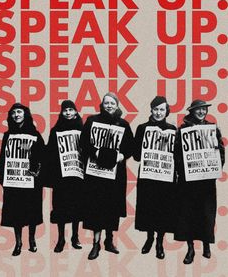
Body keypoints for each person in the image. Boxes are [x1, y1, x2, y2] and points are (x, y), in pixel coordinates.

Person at [80, 92, 134, 260]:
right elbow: (83, 142)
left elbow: (130, 147)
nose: (109, 105)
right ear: (101, 105)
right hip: (95, 175)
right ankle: (95, 244)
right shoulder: (91, 121)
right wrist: (94, 151)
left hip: (115, 175)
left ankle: (109, 241)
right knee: (95, 208)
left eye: (112, 103)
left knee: (111, 208)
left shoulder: (124, 124)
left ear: (117, 105)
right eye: (106, 103)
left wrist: (121, 156)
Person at [174, 100, 225, 264]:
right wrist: (184, 171)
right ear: (192, 111)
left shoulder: (213, 129)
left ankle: (206, 246)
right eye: (198, 110)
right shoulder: (182, 131)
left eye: (204, 109)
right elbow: (176, 154)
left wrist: (215, 167)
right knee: (188, 215)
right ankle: (190, 250)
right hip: (188, 183)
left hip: (206, 182)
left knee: (206, 214)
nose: (202, 112)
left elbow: (221, 152)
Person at [0, 103, 45, 256]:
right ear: (10, 116)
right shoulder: (7, 135)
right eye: (14, 112)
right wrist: (3, 178)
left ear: (25, 114)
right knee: (15, 213)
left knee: (32, 212)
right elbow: (2, 158)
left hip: (30, 182)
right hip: (13, 182)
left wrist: (37, 171)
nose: (17, 115)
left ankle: (31, 239)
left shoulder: (35, 134)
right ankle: (18, 243)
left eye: (20, 112)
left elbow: (43, 156)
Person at [134, 96, 177, 259]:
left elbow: (177, 155)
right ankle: (149, 239)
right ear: (151, 110)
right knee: (148, 207)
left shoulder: (173, 130)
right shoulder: (142, 128)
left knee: (163, 209)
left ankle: (160, 242)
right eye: (156, 109)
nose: (159, 113)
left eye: (162, 110)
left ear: (167, 111)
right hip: (147, 177)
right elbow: (136, 156)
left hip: (166, 178)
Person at [46, 100, 84, 253]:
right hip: (61, 177)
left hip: (78, 175)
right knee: (60, 208)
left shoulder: (83, 129)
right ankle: (61, 239)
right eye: (65, 110)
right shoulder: (55, 130)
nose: (68, 112)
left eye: (71, 110)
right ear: (61, 113)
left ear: (76, 112)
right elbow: (49, 152)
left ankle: (75, 237)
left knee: (77, 206)